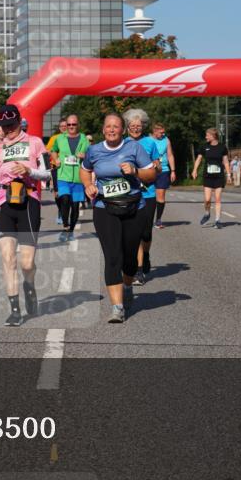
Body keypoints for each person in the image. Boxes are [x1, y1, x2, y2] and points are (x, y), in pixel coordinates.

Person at [80, 114, 156, 323]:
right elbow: (85, 170)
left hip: (134, 207)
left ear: (122, 130)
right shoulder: (94, 150)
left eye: (116, 127)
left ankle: (128, 285)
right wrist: (88, 185)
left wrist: (135, 171)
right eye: (108, 126)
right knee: (113, 256)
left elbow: (151, 175)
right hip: (105, 207)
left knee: (129, 258)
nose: (112, 130)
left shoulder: (134, 148)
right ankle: (117, 308)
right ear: (103, 130)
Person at [0, 104, 50, 326]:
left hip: (28, 201)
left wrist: (29, 171)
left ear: (19, 122)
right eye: (4, 126)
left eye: (12, 125)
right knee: (8, 258)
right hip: (3, 202)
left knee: (26, 263)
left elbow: (47, 175)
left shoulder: (35, 142)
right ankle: (15, 311)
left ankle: (29, 285)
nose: (8, 130)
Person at [124, 109, 160, 285]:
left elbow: (158, 167)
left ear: (143, 126)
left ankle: (145, 254)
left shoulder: (150, 143)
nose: (135, 128)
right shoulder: (122, 143)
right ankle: (138, 270)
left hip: (149, 192)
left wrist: (155, 166)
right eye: (132, 125)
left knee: (146, 233)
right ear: (127, 126)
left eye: (138, 126)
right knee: (136, 233)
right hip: (131, 192)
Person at [49, 114, 89, 242]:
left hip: (78, 177)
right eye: (69, 124)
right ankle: (65, 226)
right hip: (63, 176)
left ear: (78, 125)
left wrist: (85, 156)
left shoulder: (84, 139)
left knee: (75, 206)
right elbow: (53, 150)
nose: (71, 127)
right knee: (65, 199)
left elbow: (91, 154)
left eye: (74, 124)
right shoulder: (60, 138)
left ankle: (71, 231)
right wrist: (56, 159)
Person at [191, 128, 231, 229]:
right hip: (208, 176)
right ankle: (207, 213)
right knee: (207, 200)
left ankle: (217, 220)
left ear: (213, 136)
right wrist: (194, 170)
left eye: (207, 135)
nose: (206, 137)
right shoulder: (204, 147)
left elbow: (226, 161)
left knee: (218, 199)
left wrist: (229, 174)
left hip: (219, 176)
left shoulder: (222, 147)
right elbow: (199, 159)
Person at [143, 122, 176, 228]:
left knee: (160, 196)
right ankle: (146, 218)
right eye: (161, 132)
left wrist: (173, 171)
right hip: (149, 171)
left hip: (163, 171)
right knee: (149, 196)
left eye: (164, 132)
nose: (163, 134)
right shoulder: (147, 140)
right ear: (154, 131)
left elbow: (170, 155)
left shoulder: (166, 140)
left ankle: (158, 220)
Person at [46, 120, 67, 207]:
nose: (64, 127)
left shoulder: (73, 137)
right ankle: (60, 209)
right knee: (57, 190)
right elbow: (47, 151)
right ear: (59, 128)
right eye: (62, 126)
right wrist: (54, 153)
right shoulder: (54, 138)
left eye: (65, 126)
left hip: (69, 167)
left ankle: (66, 208)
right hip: (56, 167)